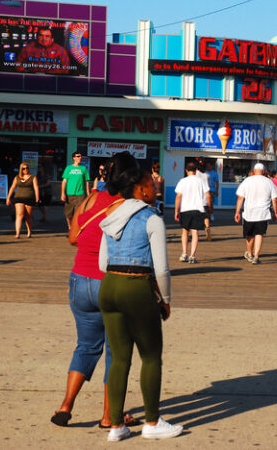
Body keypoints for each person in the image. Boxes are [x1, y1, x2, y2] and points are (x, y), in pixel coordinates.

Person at [51, 153, 138, 430]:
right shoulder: (131, 207)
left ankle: (65, 405)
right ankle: (108, 416)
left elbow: (73, 237)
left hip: (80, 282)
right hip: (111, 284)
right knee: (116, 353)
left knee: (86, 346)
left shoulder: (90, 199)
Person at [98, 166, 182, 441]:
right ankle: (151, 422)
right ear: (139, 188)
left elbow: (102, 263)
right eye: (151, 181)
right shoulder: (152, 218)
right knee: (150, 356)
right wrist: (166, 300)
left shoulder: (110, 215)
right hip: (136, 288)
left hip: (109, 286)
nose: (155, 185)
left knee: (119, 358)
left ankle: (116, 427)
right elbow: (162, 269)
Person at [234, 163, 277, 265]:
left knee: (249, 235)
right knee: (259, 234)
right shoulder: (269, 182)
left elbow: (240, 198)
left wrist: (237, 212)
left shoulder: (247, 181)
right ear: (263, 171)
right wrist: (276, 213)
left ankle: (250, 254)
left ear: (254, 171)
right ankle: (256, 256)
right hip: (263, 213)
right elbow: (274, 199)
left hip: (249, 213)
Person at [174, 161, 210, 264]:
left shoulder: (182, 181)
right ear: (196, 170)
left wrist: (176, 210)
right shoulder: (201, 181)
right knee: (195, 233)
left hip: (185, 209)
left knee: (185, 231)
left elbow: (178, 196)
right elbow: (208, 195)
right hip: (198, 210)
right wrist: (210, 207)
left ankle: (184, 253)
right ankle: (192, 256)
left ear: (186, 170)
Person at [6, 162, 39, 239]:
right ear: (21, 169)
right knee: (19, 214)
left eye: (27, 168)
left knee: (28, 216)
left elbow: (36, 187)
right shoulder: (17, 177)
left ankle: (29, 232)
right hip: (19, 198)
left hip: (29, 198)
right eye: (24, 168)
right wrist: (8, 198)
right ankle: (17, 233)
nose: (26, 170)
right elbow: (12, 188)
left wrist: (37, 197)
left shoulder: (33, 177)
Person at [61, 152, 91, 229]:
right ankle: (70, 226)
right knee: (68, 214)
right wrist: (62, 193)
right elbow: (64, 181)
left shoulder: (83, 169)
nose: (79, 158)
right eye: (78, 156)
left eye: (80, 156)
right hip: (69, 194)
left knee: (79, 213)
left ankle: (76, 227)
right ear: (73, 158)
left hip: (80, 194)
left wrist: (88, 193)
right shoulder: (68, 168)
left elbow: (86, 181)